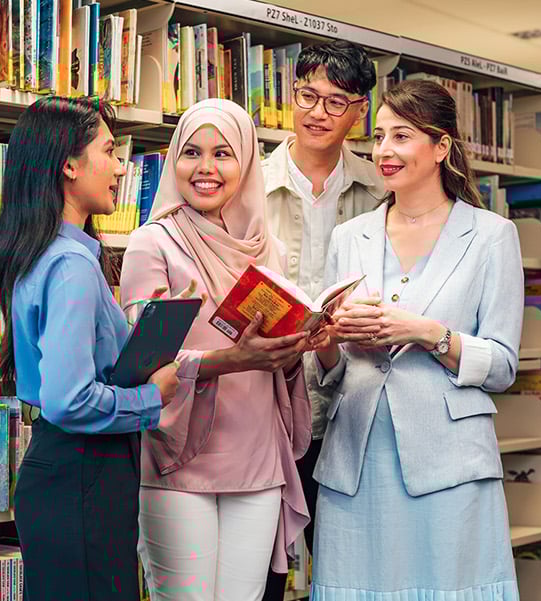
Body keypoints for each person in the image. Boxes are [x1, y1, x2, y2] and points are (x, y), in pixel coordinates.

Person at [307, 79, 524, 600]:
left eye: (401, 136)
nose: (383, 150)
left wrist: (426, 332)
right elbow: (330, 375)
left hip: (448, 461)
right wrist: (328, 338)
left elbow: (502, 366)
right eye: (378, 137)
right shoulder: (349, 235)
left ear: (441, 147)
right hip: (357, 456)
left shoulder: (491, 235)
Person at [120, 98, 325, 601]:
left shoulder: (264, 244)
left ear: (247, 163)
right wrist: (231, 360)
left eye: (223, 154)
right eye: (191, 152)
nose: (206, 169)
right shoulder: (153, 244)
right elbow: (142, 369)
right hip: (178, 459)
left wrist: (298, 346)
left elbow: (273, 358)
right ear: (173, 161)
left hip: (255, 457)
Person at [0, 96, 181, 601]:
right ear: (69, 166)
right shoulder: (71, 266)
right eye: (110, 151)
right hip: (83, 474)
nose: (121, 168)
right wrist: (152, 397)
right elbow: (69, 398)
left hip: (64, 471)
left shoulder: (43, 252)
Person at [258, 41, 389, 601]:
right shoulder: (246, 184)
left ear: (361, 110)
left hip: (350, 408)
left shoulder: (383, 192)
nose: (317, 112)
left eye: (337, 102)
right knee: (263, 566)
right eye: (308, 95)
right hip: (265, 405)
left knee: (349, 566)